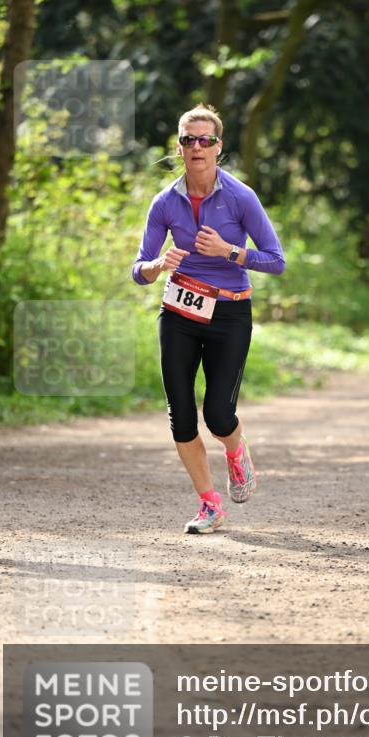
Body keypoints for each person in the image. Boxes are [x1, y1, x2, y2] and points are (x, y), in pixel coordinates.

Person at [131, 104, 285, 534]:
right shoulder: (165, 203)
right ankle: (210, 505)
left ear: (219, 147)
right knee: (180, 415)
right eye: (188, 140)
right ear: (179, 149)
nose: (196, 147)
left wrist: (229, 252)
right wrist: (159, 264)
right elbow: (139, 269)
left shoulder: (241, 197)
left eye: (205, 140)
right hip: (179, 310)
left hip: (230, 312)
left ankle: (236, 452)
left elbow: (276, 261)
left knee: (218, 415)